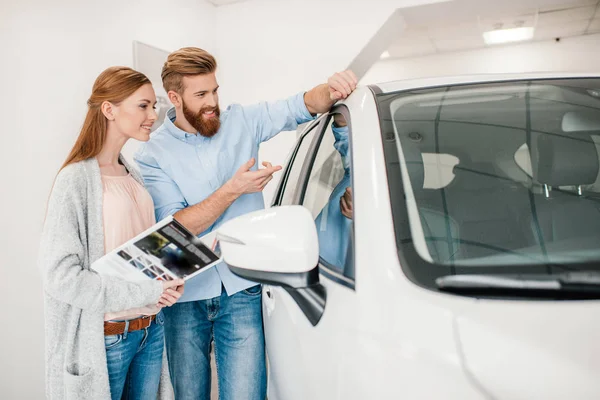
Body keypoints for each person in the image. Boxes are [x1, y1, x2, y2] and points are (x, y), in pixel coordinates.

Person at [134, 46, 357, 400]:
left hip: (242, 288)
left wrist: (332, 89)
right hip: (184, 296)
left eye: (215, 90)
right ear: (174, 98)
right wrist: (233, 191)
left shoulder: (241, 120)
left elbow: (299, 106)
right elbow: (175, 228)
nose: (213, 102)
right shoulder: (152, 155)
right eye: (202, 94)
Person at [39, 66, 185, 400]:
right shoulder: (75, 181)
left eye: (153, 105)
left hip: (150, 330)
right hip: (107, 338)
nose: (153, 114)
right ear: (109, 109)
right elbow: (60, 276)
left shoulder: (132, 173)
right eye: (143, 106)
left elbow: (141, 250)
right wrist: (146, 291)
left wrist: (171, 276)